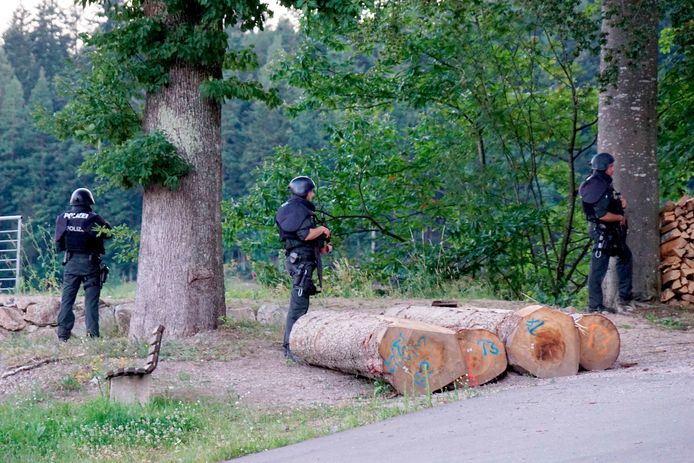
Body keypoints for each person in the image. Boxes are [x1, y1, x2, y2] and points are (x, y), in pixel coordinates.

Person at [275, 176, 332, 361]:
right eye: (312, 191)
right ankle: (290, 349)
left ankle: (293, 346)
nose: (313, 194)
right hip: (301, 264)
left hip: (300, 260)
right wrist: (322, 229)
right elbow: (305, 234)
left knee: (301, 303)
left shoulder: (293, 209)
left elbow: (301, 239)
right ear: (305, 191)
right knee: (298, 306)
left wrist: (322, 248)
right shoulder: (299, 210)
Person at [54, 188, 111, 341]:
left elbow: (58, 244)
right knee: (91, 301)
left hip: (70, 263)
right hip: (90, 264)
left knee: (67, 300)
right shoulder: (93, 218)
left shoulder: (62, 217)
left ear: (73, 201)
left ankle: (62, 336)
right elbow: (108, 234)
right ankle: (92, 336)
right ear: (89, 201)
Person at [579, 153, 633, 313]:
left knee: (625, 257)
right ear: (606, 168)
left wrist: (620, 202)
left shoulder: (598, 182)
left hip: (610, 231)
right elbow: (601, 214)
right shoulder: (599, 185)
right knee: (598, 267)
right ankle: (595, 306)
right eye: (611, 166)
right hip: (602, 231)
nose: (613, 168)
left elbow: (607, 202)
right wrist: (619, 217)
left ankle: (624, 299)